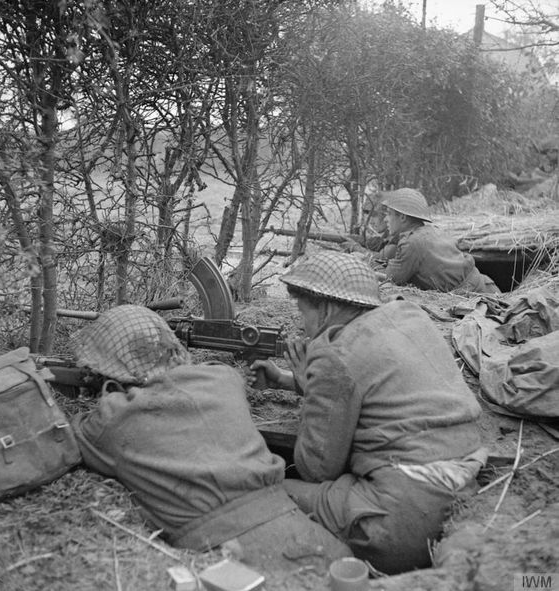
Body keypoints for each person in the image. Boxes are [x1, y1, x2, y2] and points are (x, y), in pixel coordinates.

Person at [250, 251, 487, 575]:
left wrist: (311, 387)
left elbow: (315, 468)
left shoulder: (333, 353)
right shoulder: (409, 316)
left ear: (327, 308)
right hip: (463, 491)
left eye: (302, 312)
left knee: (266, 494)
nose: (301, 324)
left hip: (401, 519)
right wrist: (290, 382)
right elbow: (369, 384)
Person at [70, 304, 350, 571]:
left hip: (233, 557)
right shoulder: (223, 378)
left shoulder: (115, 419)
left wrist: (101, 392)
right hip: (311, 536)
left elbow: (75, 433)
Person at [376, 188, 501, 294]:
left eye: (389, 214)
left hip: (479, 295)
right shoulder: (432, 231)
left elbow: (391, 278)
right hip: (487, 286)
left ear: (402, 217)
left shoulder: (412, 243)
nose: (386, 219)